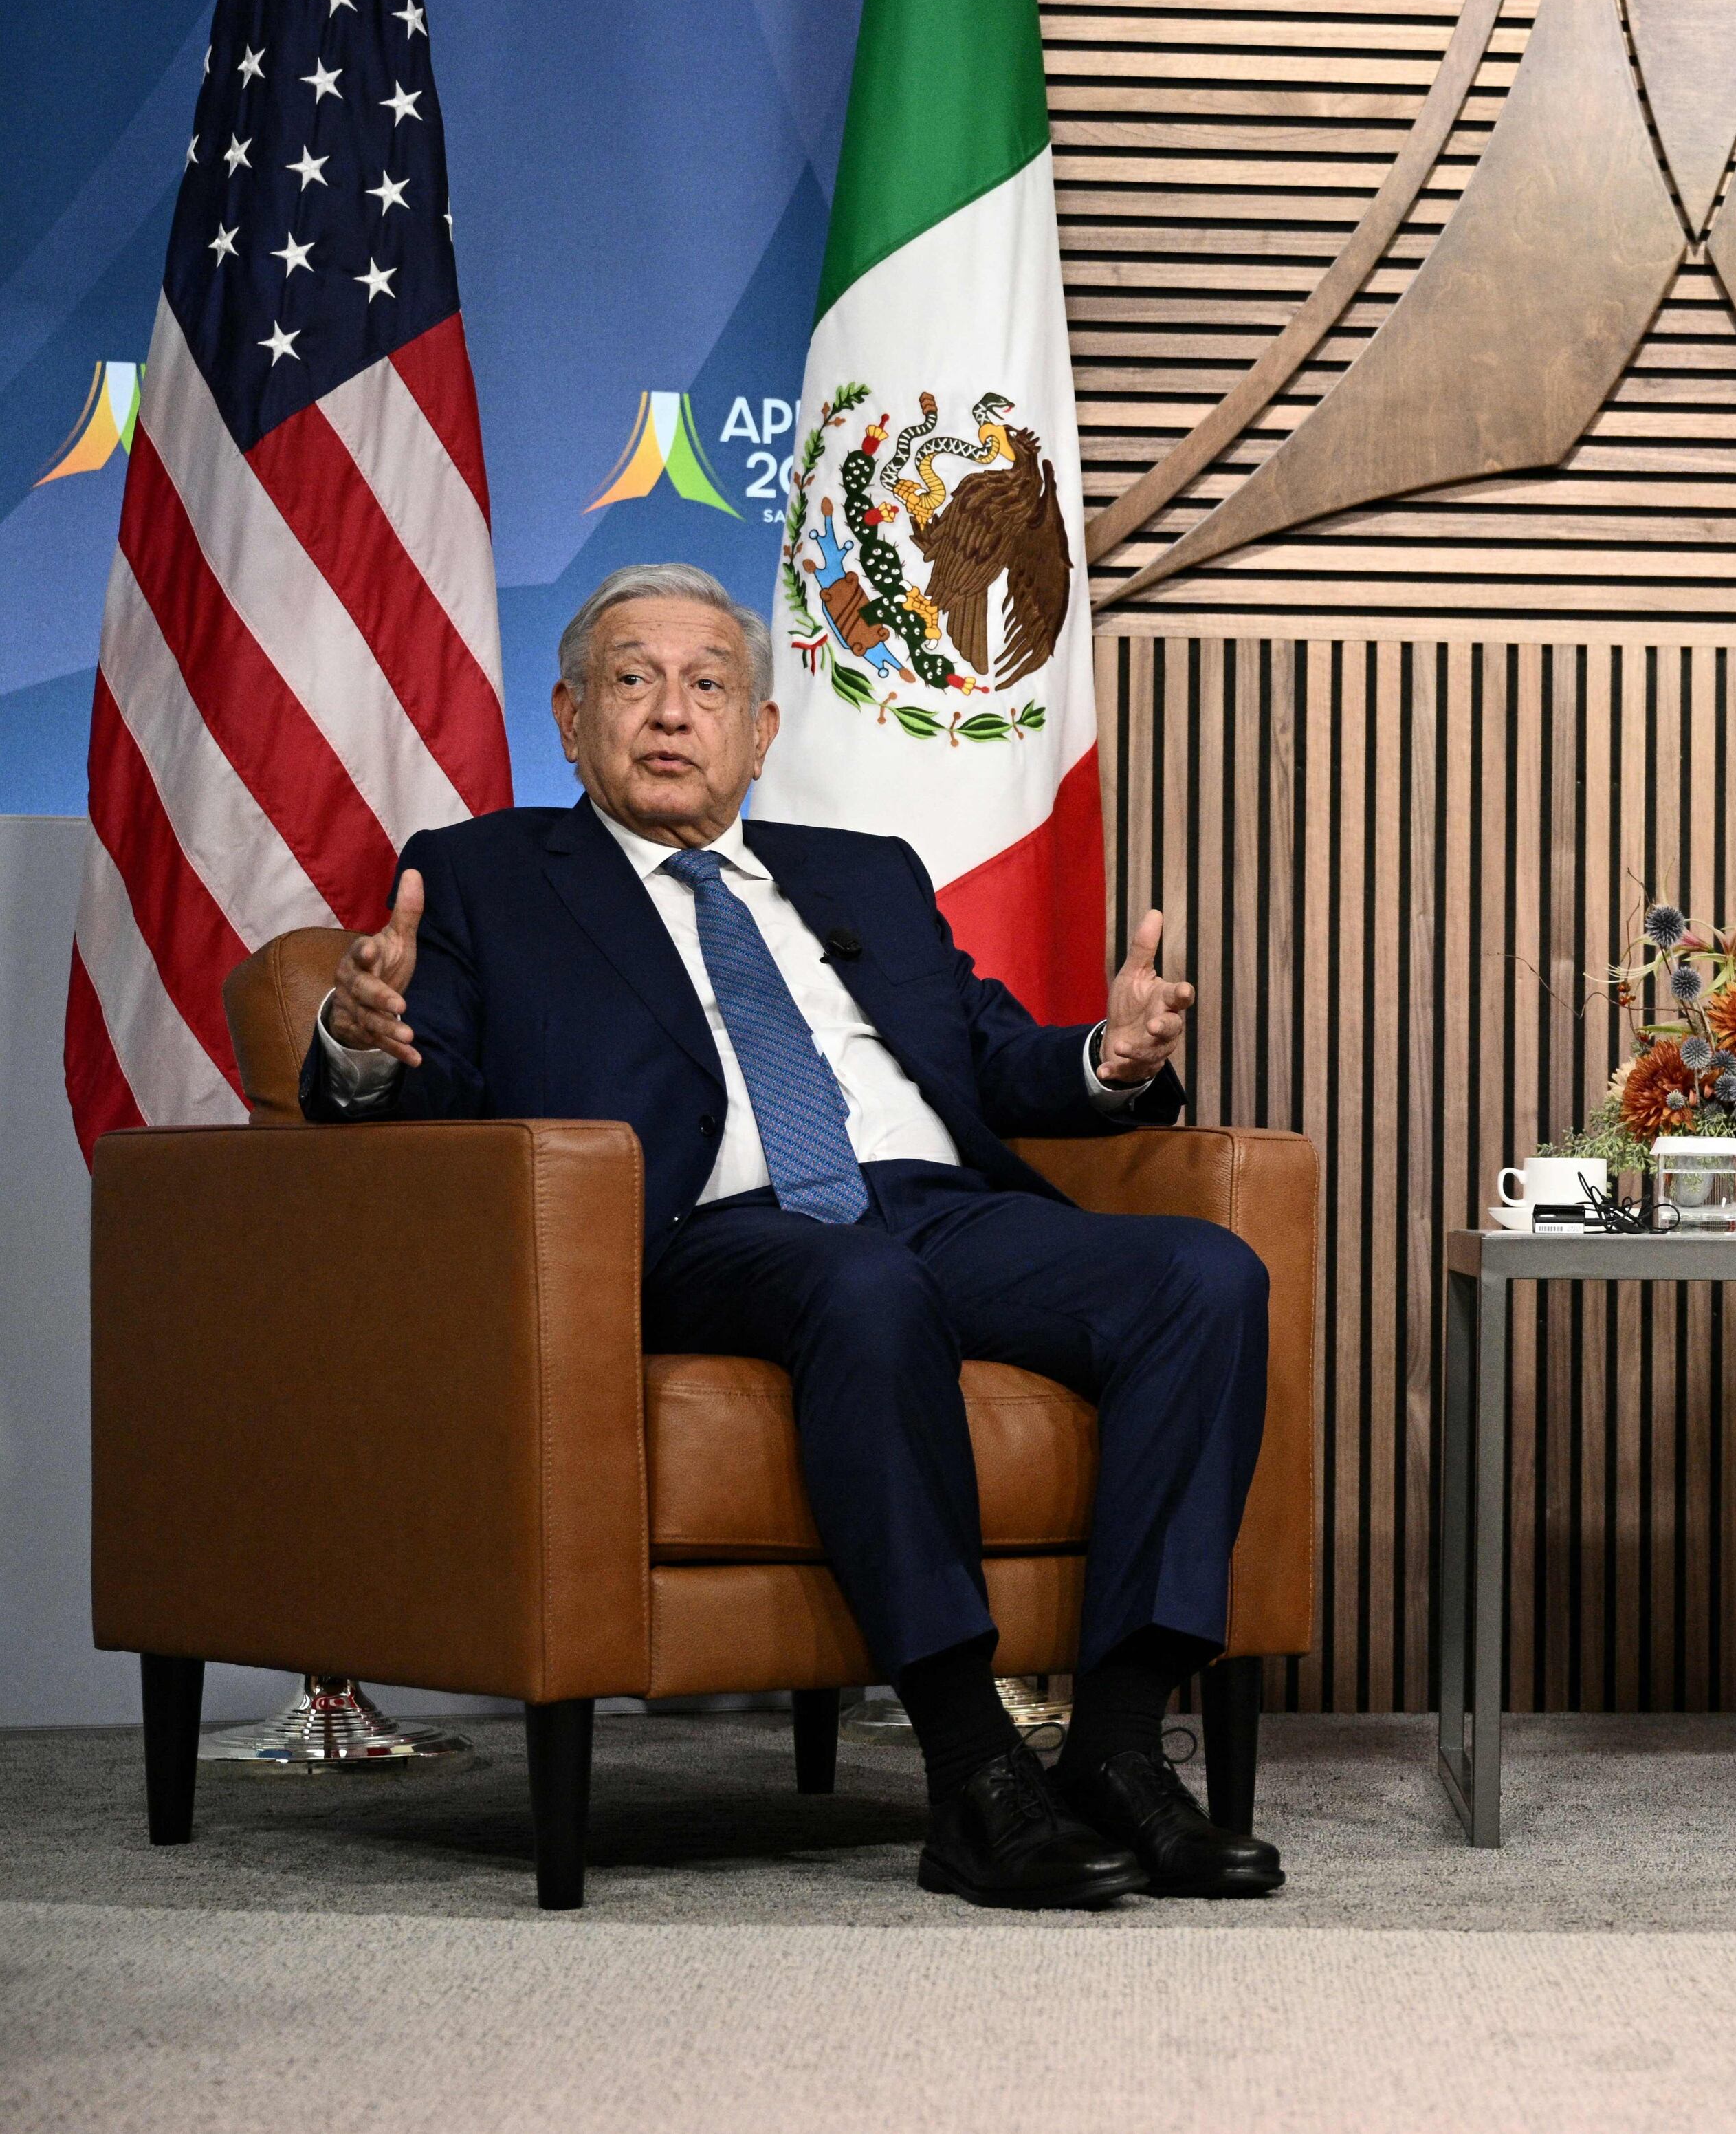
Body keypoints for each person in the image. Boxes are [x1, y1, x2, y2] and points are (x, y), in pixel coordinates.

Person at [305, 561, 1280, 1910]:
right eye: (632, 679)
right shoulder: (481, 878)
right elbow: (436, 1085)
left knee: (1203, 1274)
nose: (670, 713)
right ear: (570, 716)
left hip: (936, 1205)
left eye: (709, 684)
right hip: (706, 1229)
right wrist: (361, 1043)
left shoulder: (862, 877)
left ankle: (1116, 1743)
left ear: (760, 733)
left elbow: (992, 1055)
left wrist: (1108, 1057)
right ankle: (972, 1763)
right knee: (861, 1279)